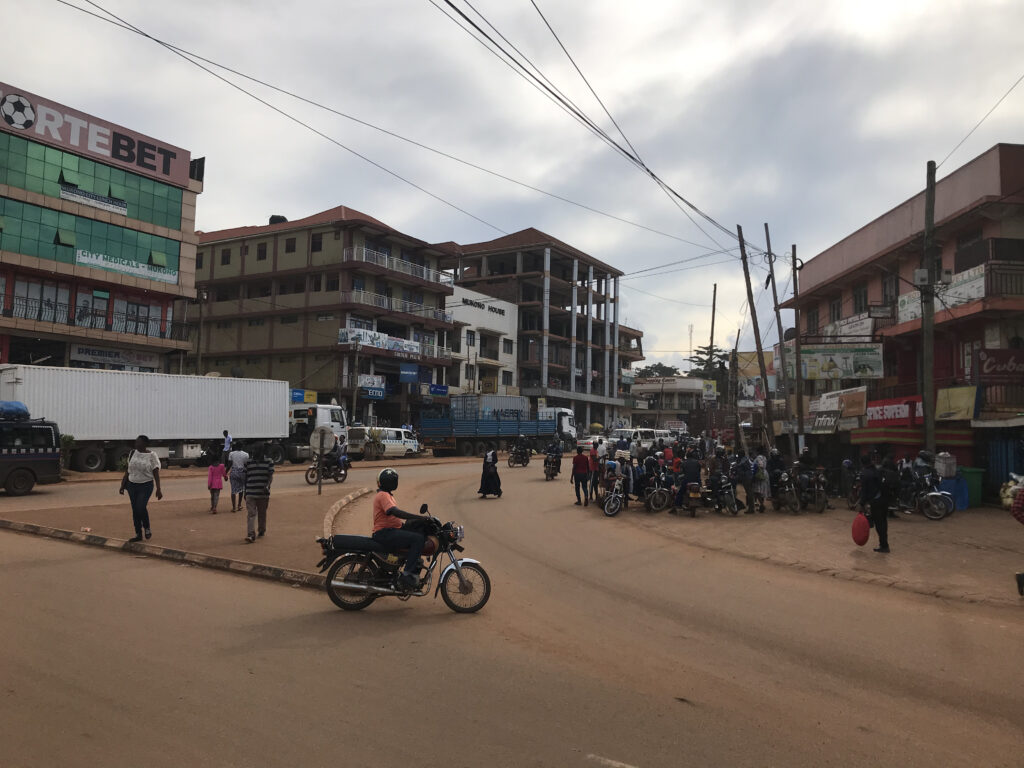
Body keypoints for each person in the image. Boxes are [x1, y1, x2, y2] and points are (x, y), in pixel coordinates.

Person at [372, 468, 426, 590]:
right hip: (384, 533)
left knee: (415, 532)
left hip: (389, 530)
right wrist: (418, 517)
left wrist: (416, 522)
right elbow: (395, 512)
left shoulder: (386, 494)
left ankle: (411, 564)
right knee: (417, 539)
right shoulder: (383, 495)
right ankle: (408, 574)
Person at [119, 435, 162, 542]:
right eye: (136, 442)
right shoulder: (133, 453)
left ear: (145, 444)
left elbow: (156, 472)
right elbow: (128, 470)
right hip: (132, 485)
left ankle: (147, 527)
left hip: (146, 485)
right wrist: (122, 484)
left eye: (139, 442)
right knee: (135, 510)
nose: (136, 444)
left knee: (140, 507)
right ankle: (138, 534)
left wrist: (158, 488)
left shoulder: (152, 456)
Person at [243, 443, 274, 543]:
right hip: (252, 492)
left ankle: (261, 529)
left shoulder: (269, 462)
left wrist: (267, 486)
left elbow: (270, 476)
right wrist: (245, 491)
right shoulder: (248, 462)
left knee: (261, 513)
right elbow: (245, 477)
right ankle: (251, 534)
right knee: (252, 513)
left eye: (257, 450)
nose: (255, 452)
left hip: (261, 492)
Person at [858, 453, 889, 553]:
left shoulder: (865, 473)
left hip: (876, 502)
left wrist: (862, 504)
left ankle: (884, 546)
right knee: (883, 523)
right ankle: (884, 543)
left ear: (862, 463)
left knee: (879, 524)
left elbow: (864, 491)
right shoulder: (877, 470)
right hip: (884, 499)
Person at [227, 443, 249, 512]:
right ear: (242, 446)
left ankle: (234, 507)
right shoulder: (246, 454)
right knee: (241, 489)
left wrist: (225, 472)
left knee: (233, 490)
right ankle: (239, 505)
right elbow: (246, 465)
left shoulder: (231, 454)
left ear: (236, 447)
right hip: (242, 472)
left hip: (234, 472)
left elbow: (229, 464)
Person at [752, 448, 770, 514]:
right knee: (762, 491)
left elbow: (760, 465)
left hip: (759, 475)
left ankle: (762, 505)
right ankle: (761, 506)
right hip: (764, 474)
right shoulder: (764, 457)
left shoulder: (759, 458)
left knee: (757, 491)